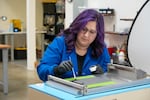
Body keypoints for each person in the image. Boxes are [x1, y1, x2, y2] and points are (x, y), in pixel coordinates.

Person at [37, 9, 110, 82]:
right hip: (62, 91)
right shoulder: (60, 43)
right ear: (77, 27)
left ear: (97, 34)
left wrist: (103, 74)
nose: (86, 35)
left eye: (92, 32)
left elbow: (110, 76)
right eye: (84, 29)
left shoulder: (101, 48)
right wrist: (56, 70)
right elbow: (42, 70)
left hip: (90, 92)